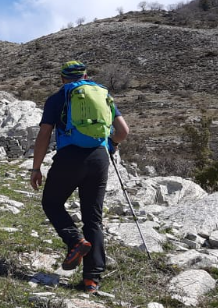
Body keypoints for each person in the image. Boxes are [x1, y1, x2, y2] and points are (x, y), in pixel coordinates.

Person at [29, 61, 129, 293]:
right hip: (99, 158)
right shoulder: (103, 94)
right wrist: (111, 144)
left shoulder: (58, 98)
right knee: (93, 218)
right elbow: (123, 131)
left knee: (52, 202)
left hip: (70, 157)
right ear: (86, 76)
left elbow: (44, 134)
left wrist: (36, 168)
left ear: (63, 78)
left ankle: (75, 241)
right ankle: (91, 280)